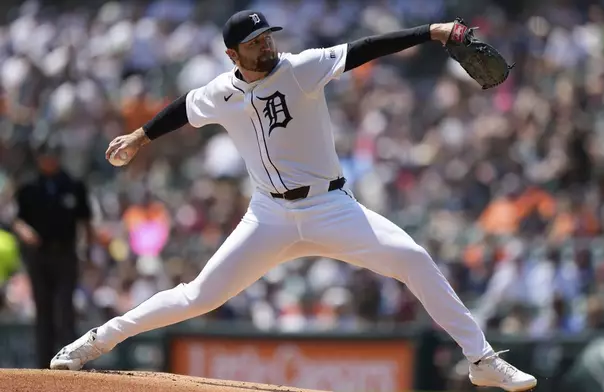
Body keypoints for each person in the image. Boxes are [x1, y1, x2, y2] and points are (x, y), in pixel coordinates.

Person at [50, 10, 537, 391]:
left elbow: (365, 48)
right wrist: (140, 135)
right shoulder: (222, 91)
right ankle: (97, 341)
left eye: (268, 37)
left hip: (330, 207)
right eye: (255, 43)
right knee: (198, 296)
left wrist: (431, 31)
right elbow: (184, 108)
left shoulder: (300, 69)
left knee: (412, 258)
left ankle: (482, 361)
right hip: (269, 216)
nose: (268, 45)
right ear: (232, 54)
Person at [12, 141, 94, 369]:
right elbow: (17, 219)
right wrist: (25, 231)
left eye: (53, 155)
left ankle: (70, 362)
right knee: (43, 310)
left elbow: (86, 220)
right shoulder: (28, 186)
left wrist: (89, 250)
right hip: (39, 256)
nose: (49, 160)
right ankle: (43, 367)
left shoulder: (73, 185)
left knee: (65, 310)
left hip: (66, 254)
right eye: (45, 156)